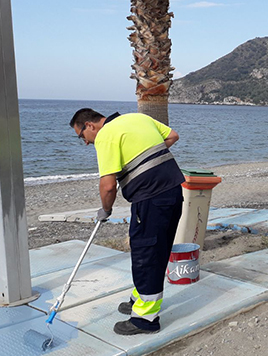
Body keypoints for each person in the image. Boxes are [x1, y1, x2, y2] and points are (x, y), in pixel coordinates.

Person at [70, 108, 185, 335]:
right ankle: (139, 298)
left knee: (146, 254)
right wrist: (144, 163)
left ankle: (145, 319)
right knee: (157, 249)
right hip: (173, 192)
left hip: (150, 199)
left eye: (81, 136)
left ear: (90, 126)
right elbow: (172, 136)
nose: (85, 143)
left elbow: (109, 185)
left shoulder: (106, 135)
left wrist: (106, 209)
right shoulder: (137, 118)